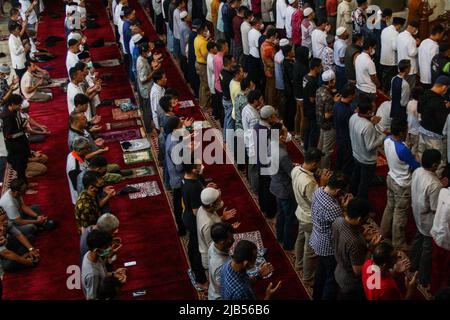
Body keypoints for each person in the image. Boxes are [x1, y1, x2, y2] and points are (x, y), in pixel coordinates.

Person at [380, 118, 420, 252]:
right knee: (400, 214)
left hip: (391, 178)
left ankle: (383, 231)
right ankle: (398, 242)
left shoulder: (387, 140)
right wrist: (417, 159)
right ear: (402, 132)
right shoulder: (403, 149)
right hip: (402, 184)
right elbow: (415, 166)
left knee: (390, 207)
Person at [310, 172, 352, 300]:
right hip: (328, 246)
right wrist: (345, 208)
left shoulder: (318, 190)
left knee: (321, 272)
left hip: (316, 237)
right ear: (339, 190)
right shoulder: (333, 208)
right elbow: (343, 227)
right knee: (331, 279)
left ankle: (316, 295)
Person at [292, 148, 330, 285]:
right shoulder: (309, 182)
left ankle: (299, 263)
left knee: (300, 237)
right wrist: (323, 183)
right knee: (310, 249)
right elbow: (317, 200)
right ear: (314, 164)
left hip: (300, 211)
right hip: (309, 217)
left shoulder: (296, 169)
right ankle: (308, 276)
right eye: (318, 164)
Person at [410, 149, 446, 289]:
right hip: (428, 221)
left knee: (418, 239)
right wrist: (442, 190)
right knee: (427, 249)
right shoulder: (434, 184)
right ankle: (423, 278)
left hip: (417, 214)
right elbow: (435, 208)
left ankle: (413, 264)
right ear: (435, 165)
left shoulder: (418, 171)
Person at [332, 197, 373, 300]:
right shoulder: (355, 242)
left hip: (339, 271)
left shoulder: (338, 220)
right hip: (350, 283)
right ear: (360, 219)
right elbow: (358, 271)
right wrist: (371, 248)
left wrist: (362, 236)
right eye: (366, 218)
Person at [349, 97, 386, 199]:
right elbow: (370, 146)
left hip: (356, 154)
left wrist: (371, 123)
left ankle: (350, 195)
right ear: (369, 112)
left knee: (355, 177)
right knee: (364, 184)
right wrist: (383, 136)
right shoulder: (368, 126)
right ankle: (360, 205)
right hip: (367, 160)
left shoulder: (353, 117)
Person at [181, 159, 209, 290]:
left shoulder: (186, 178)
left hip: (186, 216)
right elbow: (197, 211)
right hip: (194, 221)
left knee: (193, 245)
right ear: (193, 170)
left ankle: (195, 269)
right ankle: (201, 279)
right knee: (198, 250)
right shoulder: (194, 186)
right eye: (199, 165)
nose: (202, 166)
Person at [270, 124, 297, 252]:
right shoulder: (283, 154)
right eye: (285, 132)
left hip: (276, 184)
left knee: (280, 214)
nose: (287, 134)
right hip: (285, 190)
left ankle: (279, 236)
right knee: (290, 218)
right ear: (280, 136)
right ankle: (288, 244)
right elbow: (292, 173)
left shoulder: (271, 144)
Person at [197, 187, 239, 269]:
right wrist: (228, 232)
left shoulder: (202, 208)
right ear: (212, 205)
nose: (220, 202)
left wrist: (222, 218)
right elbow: (214, 245)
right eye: (218, 200)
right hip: (213, 259)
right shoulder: (208, 224)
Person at [418, 76, 450, 175]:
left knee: (423, 159)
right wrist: (446, 109)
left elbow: (420, 110)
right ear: (444, 87)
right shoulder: (438, 102)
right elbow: (443, 122)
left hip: (422, 133)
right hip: (435, 139)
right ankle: (434, 184)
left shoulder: (424, 95)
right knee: (438, 164)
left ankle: (421, 178)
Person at [81, 230, 126, 300]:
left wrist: (114, 274)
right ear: (97, 250)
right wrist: (119, 285)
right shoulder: (92, 275)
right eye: (107, 247)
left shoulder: (90, 254)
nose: (110, 248)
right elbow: (91, 298)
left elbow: (101, 272)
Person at [165, 116, 190, 236]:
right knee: (180, 205)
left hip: (174, 177)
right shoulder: (175, 145)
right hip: (179, 178)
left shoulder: (170, 136)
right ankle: (182, 228)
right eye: (181, 126)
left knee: (179, 203)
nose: (183, 127)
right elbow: (179, 166)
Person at [0, 207, 40, 272]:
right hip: (3, 253)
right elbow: (5, 253)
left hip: (7, 248)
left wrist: (31, 249)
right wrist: (27, 262)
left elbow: (18, 234)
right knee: (8, 266)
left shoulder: (6, 223)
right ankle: (21, 256)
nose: (6, 221)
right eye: (2, 220)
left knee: (30, 237)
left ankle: (21, 256)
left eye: (6, 218)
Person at [1, 94, 30, 180]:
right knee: (20, 165)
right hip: (15, 145)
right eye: (18, 105)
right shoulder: (7, 116)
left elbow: (18, 125)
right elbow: (8, 135)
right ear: (12, 104)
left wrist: (22, 125)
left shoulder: (13, 111)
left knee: (24, 162)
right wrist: (22, 130)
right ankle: (23, 185)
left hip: (20, 141)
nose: (20, 106)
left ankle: (25, 182)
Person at [316, 69, 339, 169]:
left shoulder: (319, 90)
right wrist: (336, 103)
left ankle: (317, 165)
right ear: (330, 82)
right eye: (334, 80)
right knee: (327, 151)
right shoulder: (329, 96)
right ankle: (324, 171)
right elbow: (327, 115)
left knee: (320, 146)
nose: (335, 81)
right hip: (328, 125)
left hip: (320, 122)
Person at [242, 89, 264, 192]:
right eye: (260, 99)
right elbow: (256, 133)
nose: (261, 101)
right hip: (253, 145)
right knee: (254, 169)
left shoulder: (246, 108)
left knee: (250, 167)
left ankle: (251, 183)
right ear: (255, 101)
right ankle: (255, 189)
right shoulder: (254, 117)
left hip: (247, 139)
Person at [333, 83, 356, 177]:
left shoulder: (336, 105)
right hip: (346, 140)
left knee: (339, 160)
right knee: (347, 164)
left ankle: (335, 177)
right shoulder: (347, 111)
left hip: (338, 137)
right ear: (350, 96)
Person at [430, 186, 450, 294]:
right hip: (446, 243)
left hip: (436, 235)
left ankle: (434, 290)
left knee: (436, 267)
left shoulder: (443, 191)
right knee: (446, 273)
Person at [208, 222, 235, 300]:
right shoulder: (222, 265)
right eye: (231, 238)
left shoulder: (213, 245)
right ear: (222, 242)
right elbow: (229, 287)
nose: (233, 240)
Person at [137, 43, 159, 131]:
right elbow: (143, 79)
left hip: (145, 87)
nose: (149, 52)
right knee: (147, 110)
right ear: (143, 52)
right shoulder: (141, 62)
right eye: (148, 51)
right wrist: (154, 71)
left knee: (146, 108)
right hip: (146, 89)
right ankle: (148, 129)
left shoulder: (142, 58)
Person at [380, 17, 406, 92]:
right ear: (399, 25)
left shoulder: (385, 30)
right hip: (391, 60)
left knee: (384, 77)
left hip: (384, 58)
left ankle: (384, 91)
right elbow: (394, 47)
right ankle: (388, 92)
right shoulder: (395, 33)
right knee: (390, 78)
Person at [418, 24, 445, 89]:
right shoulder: (434, 46)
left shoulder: (423, 42)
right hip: (430, 76)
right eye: (442, 34)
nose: (442, 36)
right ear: (438, 34)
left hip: (422, 74)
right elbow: (434, 63)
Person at [303, 58, 322, 151]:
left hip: (306, 107)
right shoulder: (312, 81)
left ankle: (306, 146)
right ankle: (311, 150)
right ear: (315, 67)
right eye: (320, 66)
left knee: (308, 129)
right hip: (312, 109)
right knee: (313, 131)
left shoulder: (305, 76)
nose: (321, 68)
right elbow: (312, 99)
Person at [66, 137, 91, 205]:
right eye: (87, 148)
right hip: (82, 199)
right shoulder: (74, 168)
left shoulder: (73, 154)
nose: (89, 150)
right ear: (80, 150)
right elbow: (78, 187)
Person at [396, 20, 420, 89]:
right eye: (416, 29)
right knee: (409, 88)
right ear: (414, 29)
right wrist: (418, 47)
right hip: (409, 68)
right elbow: (412, 53)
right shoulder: (411, 39)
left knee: (402, 87)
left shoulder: (399, 35)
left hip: (401, 65)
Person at [355, 38, 379, 102]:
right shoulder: (369, 62)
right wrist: (378, 84)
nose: (374, 50)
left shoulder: (358, 57)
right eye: (374, 48)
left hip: (359, 87)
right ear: (370, 48)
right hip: (368, 91)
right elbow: (373, 78)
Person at [293, 46, 309, 140]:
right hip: (302, 95)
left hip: (296, 93)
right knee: (304, 117)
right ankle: (302, 137)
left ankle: (296, 133)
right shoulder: (303, 68)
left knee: (298, 113)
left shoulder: (296, 64)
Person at [194, 22, 211, 109]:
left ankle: (201, 102)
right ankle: (204, 105)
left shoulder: (197, 38)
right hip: (202, 65)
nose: (207, 31)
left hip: (198, 63)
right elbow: (206, 56)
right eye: (205, 29)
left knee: (202, 85)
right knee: (206, 86)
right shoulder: (202, 42)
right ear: (202, 31)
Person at [260, 28, 278, 107]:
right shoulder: (269, 48)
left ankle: (267, 102)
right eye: (275, 37)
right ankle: (271, 106)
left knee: (268, 87)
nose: (276, 39)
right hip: (271, 70)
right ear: (272, 37)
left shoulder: (263, 44)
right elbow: (275, 58)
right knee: (272, 89)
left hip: (266, 69)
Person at [221, 54, 236, 145]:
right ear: (229, 64)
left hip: (224, 99)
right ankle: (229, 142)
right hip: (230, 101)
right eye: (233, 62)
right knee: (230, 123)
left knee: (227, 119)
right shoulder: (229, 78)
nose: (235, 63)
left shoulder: (222, 72)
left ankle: (225, 137)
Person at [213, 39, 229, 124]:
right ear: (224, 47)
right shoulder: (221, 60)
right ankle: (223, 123)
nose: (228, 47)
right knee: (223, 108)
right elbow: (224, 74)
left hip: (216, 84)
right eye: (226, 46)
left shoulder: (216, 56)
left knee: (219, 105)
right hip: (221, 86)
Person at [282, 44, 296, 131]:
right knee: (291, 108)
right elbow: (292, 77)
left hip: (287, 88)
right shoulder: (288, 64)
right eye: (292, 51)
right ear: (288, 53)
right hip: (290, 89)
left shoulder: (286, 61)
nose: (293, 52)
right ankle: (290, 126)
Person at [247, 17, 263, 89]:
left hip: (251, 53)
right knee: (256, 75)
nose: (262, 25)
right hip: (256, 56)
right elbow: (258, 46)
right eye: (261, 23)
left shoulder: (251, 31)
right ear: (257, 24)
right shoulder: (257, 34)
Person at [406, 87, 422, 157]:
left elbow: (407, 112)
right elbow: (419, 119)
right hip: (416, 129)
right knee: (415, 147)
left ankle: (406, 157)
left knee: (408, 144)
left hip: (409, 126)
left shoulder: (410, 102)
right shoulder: (418, 105)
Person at [333, 27, 348, 92]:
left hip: (337, 66)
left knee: (338, 83)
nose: (347, 33)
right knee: (342, 84)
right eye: (345, 32)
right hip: (342, 68)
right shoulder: (343, 46)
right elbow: (342, 60)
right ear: (342, 35)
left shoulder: (336, 42)